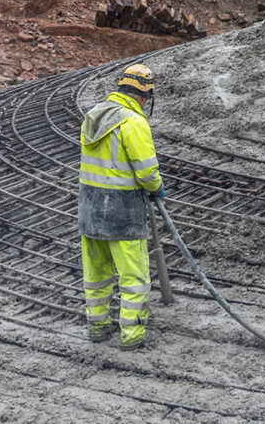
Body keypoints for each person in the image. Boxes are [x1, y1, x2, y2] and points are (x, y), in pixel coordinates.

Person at [78, 63, 165, 350]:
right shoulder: (134, 122)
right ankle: (132, 335)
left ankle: (98, 326)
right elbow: (147, 172)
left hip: (90, 207)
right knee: (134, 277)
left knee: (96, 274)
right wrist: (156, 188)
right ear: (144, 95)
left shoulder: (93, 115)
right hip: (123, 211)